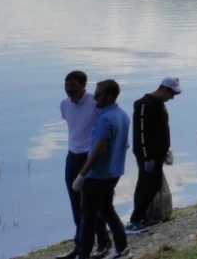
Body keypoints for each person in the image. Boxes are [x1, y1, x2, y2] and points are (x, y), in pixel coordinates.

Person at [72, 79, 131, 259]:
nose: (95, 99)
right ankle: (122, 248)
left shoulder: (105, 119)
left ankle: (84, 255)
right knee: (106, 209)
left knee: (87, 217)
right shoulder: (122, 114)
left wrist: (82, 174)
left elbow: (99, 150)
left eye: (98, 95)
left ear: (110, 96)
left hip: (97, 175)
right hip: (114, 172)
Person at [57, 71, 111, 259]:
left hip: (89, 158)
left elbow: (108, 122)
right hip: (72, 158)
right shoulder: (64, 105)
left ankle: (104, 242)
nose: (68, 89)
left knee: (91, 204)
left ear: (83, 86)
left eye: (72, 85)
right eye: (66, 85)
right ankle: (80, 244)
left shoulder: (95, 103)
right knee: (75, 204)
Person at [126, 77, 182, 233]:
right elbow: (141, 133)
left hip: (157, 153)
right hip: (147, 155)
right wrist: (146, 158)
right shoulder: (143, 104)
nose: (172, 98)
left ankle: (143, 217)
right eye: (172, 94)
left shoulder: (160, 105)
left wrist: (166, 150)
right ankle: (135, 220)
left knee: (151, 184)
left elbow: (162, 130)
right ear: (164, 89)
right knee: (148, 184)